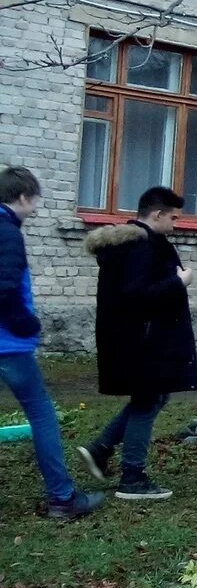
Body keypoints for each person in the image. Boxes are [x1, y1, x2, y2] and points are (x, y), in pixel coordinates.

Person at [79, 186, 197, 501]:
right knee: (148, 402)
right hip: (143, 340)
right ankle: (132, 477)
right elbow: (135, 296)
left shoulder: (134, 243)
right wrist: (179, 282)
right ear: (156, 214)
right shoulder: (142, 247)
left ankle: (101, 449)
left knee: (155, 399)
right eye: (173, 218)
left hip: (136, 339)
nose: (175, 224)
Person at [0, 166, 105, 520]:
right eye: (35, 201)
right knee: (42, 414)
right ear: (24, 197)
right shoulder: (7, 233)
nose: (35, 209)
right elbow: (5, 289)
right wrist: (26, 323)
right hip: (9, 345)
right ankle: (63, 498)